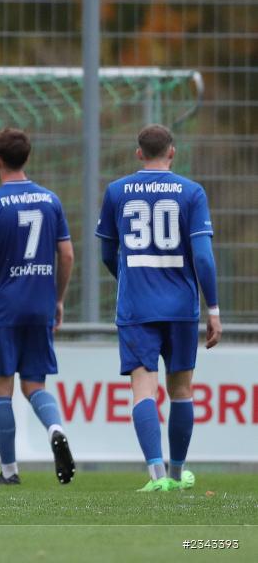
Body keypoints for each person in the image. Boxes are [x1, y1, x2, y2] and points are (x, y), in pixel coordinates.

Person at [96, 124, 221, 492]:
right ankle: (179, 473)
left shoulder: (117, 191)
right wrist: (212, 308)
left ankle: (156, 476)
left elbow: (106, 252)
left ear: (138, 153)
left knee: (143, 390)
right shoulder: (191, 192)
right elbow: (203, 257)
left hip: (136, 307)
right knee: (181, 390)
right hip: (181, 307)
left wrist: (128, 280)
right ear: (173, 152)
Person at [0, 128, 76, 486]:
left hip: (4, 308)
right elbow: (67, 254)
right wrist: (57, 298)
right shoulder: (50, 200)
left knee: (2, 389)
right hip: (40, 305)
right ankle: (56, 428)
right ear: (26, 158)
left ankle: (10, 472)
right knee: (35, 385)